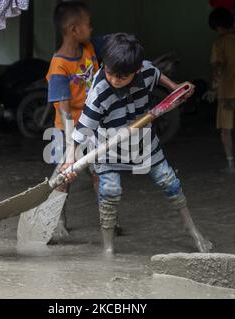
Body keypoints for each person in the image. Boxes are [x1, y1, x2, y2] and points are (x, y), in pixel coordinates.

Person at [62, 33, 214, 256]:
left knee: (169, 182)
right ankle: (108, 248)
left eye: (122, 77)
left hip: (143, 141)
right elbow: (82, 131)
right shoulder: (100, 92)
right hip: (107, 145)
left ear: (136, 71)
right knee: (111, 191)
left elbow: (157, 73)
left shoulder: (146, 71)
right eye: (110, 73)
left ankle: (192, 231)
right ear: (105, 64)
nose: (114, 80)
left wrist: (175, 87)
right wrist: (70, 161)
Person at [46, 1, 119, 241]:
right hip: (67, 131)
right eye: (89, 24)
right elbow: (65, 113)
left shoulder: (90, 47)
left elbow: (115, 42)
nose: (92, 29)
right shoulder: (59, 66)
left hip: (94, 129)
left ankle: (106, 221)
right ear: (73, 30)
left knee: (99, 175)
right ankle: (58, 222)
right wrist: (70, 150)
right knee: (63, 178)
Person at [206, 8, 235, 174]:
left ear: (218, 26)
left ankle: (231, 164)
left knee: (226, 129)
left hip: (226, 94)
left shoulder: (220, 43)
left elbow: (218, 67)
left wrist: (213, 88)